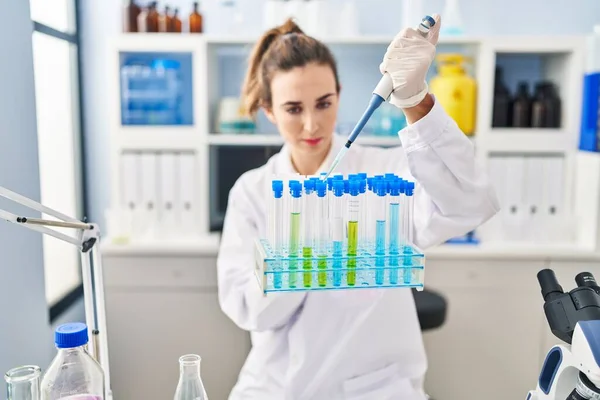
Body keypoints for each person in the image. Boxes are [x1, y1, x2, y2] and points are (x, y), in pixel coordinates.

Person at [217, 15, 499, 400]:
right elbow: (249, 309)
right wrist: (306, 242)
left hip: (374, 387)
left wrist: (416, 101)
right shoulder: (253, 192)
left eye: (324, 103)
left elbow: (471, 202)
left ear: (339, 93)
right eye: (293, 109)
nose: (312, 124)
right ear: (269, 111)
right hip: (278, 387)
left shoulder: (384, 174)